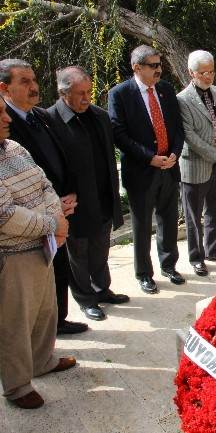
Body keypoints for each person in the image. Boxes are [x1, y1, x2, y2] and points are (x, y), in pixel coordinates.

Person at [0, 96, 77, 409]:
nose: (7, 118)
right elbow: (5, 215)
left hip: (44, 245)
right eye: (0, 114)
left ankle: (42, 361)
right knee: (15, 322)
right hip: (13, 255)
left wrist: (55, 219)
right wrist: (52, 224)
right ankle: (17, 385)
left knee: (45, 310)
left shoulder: (14, 148)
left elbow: (45, 184)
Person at [0, 58, 86, 335]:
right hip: (29, 229)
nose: (34, 87)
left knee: (58, 270)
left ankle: (57, 322)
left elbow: (60, 160)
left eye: (34, 80)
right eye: (24, 82)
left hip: (57, 210)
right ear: (4, 88)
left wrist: (68, 194)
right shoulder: (8, 127)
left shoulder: (41, 116)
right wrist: (52, 213)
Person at [47, 66, 129, 320]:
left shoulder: (99, 116)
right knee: (78, 254)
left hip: (103, 196)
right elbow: (49, 165)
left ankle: (102, 289)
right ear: (64, 93)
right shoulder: (50, 120)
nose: (86, 98)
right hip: (76, 202)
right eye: (80, 93)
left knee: (100, 249)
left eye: (89, 92)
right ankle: (85, 299)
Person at [108, 45, 185, 294]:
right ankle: (143, 273)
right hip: (141, 171)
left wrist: (174, 153)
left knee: (169, 221)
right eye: (153, 66)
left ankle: (169, 265)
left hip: (169, 167)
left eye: (160, 64)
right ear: (137, 67)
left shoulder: (166, 89)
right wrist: (149, 158)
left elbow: (178, 127)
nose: (159, 70)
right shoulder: (120, 94)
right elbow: (119, 134)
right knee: (142, 226)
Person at [177, 50, 216, 277]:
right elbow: (189, 135)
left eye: (211, 71)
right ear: (191, 72)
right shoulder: (182, 99)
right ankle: (197, 258)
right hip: (195, 165)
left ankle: (213, 250)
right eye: (203, 73)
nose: (208, 76)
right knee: (194, 218)